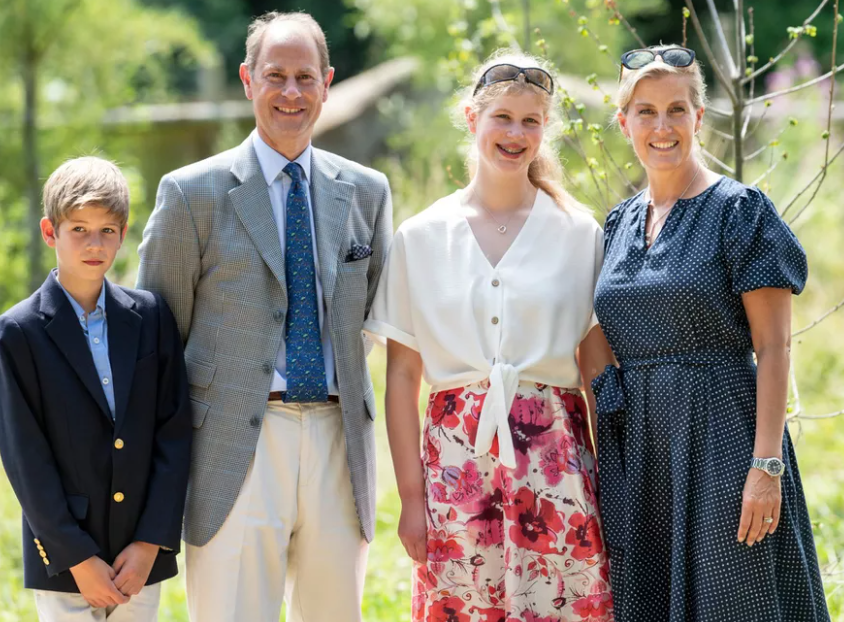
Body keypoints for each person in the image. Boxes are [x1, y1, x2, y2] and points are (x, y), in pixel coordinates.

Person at [136, 11, 393, 622]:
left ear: (327, 82)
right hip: (232, 449)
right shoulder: (189, 192)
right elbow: (155, 339)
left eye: (305, 77)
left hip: (339, 443)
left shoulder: (368, 191)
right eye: (275, 75)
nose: (291, 92)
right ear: (248, 80)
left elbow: (371, 321)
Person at [365, 52, 615, 622]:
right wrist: (411, 499)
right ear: (471, 118)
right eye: (502, 117)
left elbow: (596, 370)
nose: (516, 133)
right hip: (455, 466)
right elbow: (403, 377)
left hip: (558, 462)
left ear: (545, 130)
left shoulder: (578, 232)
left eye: (531, 121)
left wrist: (611, 482)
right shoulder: (421, 236)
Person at [591, 45, 831, 621]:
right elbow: (596, 334)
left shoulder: (740, 210)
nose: (662, 126)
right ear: (624, 123)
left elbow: (773, 347)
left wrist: (766, 466)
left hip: (726, 439)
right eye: (645, 111)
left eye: (677, 109)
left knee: (735, 601)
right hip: (641, 448)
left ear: (699, 118)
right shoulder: (618, 222)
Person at [0, 157, 192, 622]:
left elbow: (174, 432)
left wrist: (150, 543)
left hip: (138, 559)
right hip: (68, 562)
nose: (94, 244)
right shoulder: (18, 331)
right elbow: (26, 459)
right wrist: (78, 559)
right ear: (50, 233)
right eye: (79, 229)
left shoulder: (150, 317)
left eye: (108, 230)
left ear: (124, 234)